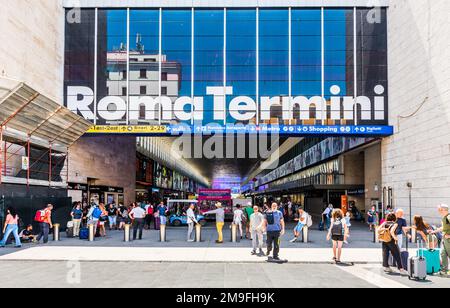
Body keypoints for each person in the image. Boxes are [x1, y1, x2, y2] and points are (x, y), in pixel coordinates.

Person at [429, 204, 450, 276]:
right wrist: (434, 231)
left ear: (444, 210)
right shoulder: (444, 217)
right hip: (444, 239)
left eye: (440, 209)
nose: (439, 211)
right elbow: (443, 228)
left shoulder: (448, 217)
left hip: (448, 239)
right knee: (443, 254)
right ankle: (444, 271)